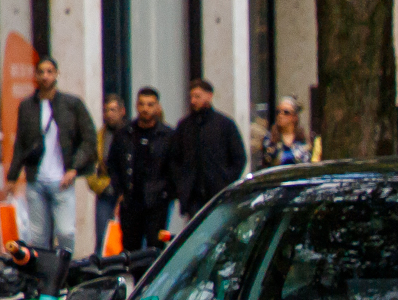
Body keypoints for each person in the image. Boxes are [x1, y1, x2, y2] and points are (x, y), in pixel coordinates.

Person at [5, 55, 99, 256]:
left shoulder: (72, 104)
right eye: (41, 72)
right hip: (36, 180)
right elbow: (21, 143)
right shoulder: (27, 106)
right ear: (36, 76)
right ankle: (43, 278)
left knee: (65, 232)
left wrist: (74, 168)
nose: (45, 76)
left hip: (62, 179)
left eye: (49, 72)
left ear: (57, 74)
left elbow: (89, 139)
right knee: (38, 236)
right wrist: (13, 176)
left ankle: (64, 275)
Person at [105, 87, 178, 252]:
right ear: (136, 106)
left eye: (150, 104)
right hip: (131, 201)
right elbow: (113, 164)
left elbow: (176, 167)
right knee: (130, 249)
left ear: (158, 107)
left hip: (158, 202)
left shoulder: (168, 135)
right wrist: (120, 191)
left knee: (155, 248)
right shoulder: (124, 134)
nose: (145, 109)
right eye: (142, 104)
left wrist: (168, 193)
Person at [169, 78, 247, 222]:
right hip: (193, 196)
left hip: (218, 192)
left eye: (197, 96)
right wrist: (182, 185)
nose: (193, 101)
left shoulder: (224, 125)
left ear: (209, 96)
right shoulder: (184, 126)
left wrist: (226, 180)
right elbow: (175, 159)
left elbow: (239, 158)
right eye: (191, 97)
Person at [91, 93, 128, 246]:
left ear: (122, 111)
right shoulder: (100, 136)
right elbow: (91, 165)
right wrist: (98, 185)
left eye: (113, 110)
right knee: (102, 236)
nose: (109, 114)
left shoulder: (130, 133)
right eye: (106, 110)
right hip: (105, 192)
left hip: (126, 194)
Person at [258, 95, 314, 169]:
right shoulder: (269, 139)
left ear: (294, 117)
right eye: (278, 112)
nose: (281, 115)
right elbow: (265, 163)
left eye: (286, 112)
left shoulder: (304, 141)